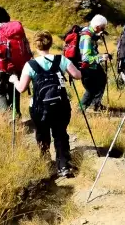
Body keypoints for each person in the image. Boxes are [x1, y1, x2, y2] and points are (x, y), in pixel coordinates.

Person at [10, 31, 81, 178]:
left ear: (35, 46)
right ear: (50, 43)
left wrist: (13, 80)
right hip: (61, 105)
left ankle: (45, 160)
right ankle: (63, 165)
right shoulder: (61, 59)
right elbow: (77, 75)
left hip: (39, 107)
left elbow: (21, 88)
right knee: (60, 133)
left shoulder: (30, 65)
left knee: (42, 132)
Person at [79, 14, 110, 112]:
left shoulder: (89, 32)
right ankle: (83, 108)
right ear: (97, 27)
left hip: (92, 65)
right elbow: (85, 58)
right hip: (87, 67)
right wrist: (101, 57)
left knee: (101, 81)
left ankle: (95, 105)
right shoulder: (87, 37)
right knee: (91, 88)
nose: (103, 30)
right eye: (102, 28)